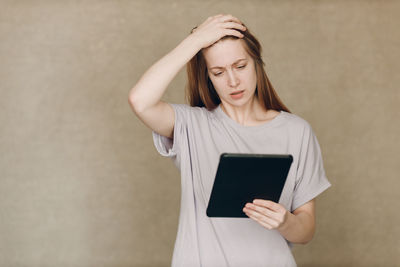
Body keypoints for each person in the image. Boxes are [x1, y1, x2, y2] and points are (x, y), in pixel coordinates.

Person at [128, 14, 331, 267]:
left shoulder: (297, 131)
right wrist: (196, 40)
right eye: (218, 72)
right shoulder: (192, 126)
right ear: (208, 77)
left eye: (240, 66)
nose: (232, 81)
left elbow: (306, 230)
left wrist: (285, 221)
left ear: (257, 63)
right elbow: (140, 100)